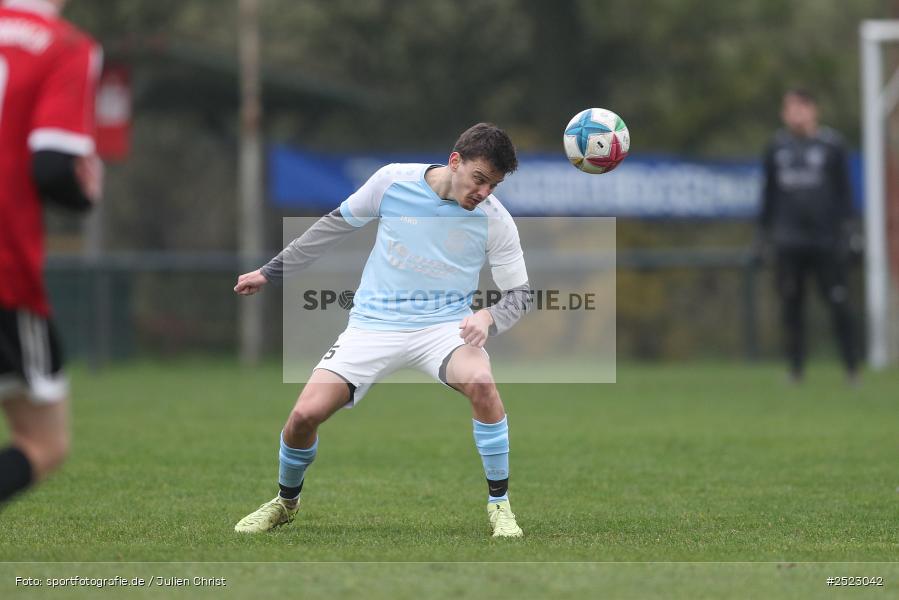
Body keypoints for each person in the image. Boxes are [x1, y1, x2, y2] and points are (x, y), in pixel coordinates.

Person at [233, 123, 531, 538]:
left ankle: (500, 506)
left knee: (482, 382)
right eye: (479, 179)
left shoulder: (495, 220)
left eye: (493, 186)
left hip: (443, 329)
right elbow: (332, 227)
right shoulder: (392, 182)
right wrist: (270, 272)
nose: (483, 193)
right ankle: (285, 502)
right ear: (455, 161)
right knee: (303, 416)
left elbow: (520, 294)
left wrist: (488, 317)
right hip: (373, 326)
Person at [0, 0, 103, 505]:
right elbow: (54, 168)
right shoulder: (64, 46)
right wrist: (87, 190)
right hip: (4, 274)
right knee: (44, 442)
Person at [757, 88, 859, 383]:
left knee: (839, 304)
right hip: (789, 242)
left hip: (826, 241)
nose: (796, 114)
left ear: (814, 110)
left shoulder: (832, 146)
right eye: (790, 108)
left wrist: (850, 232)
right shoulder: (776, 148)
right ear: (783, 113)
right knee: (791, 307)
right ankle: (796, 370)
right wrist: (763, 237)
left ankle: (852, 369)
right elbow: (768, 196)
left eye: (801, 107)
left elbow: (845, 194)